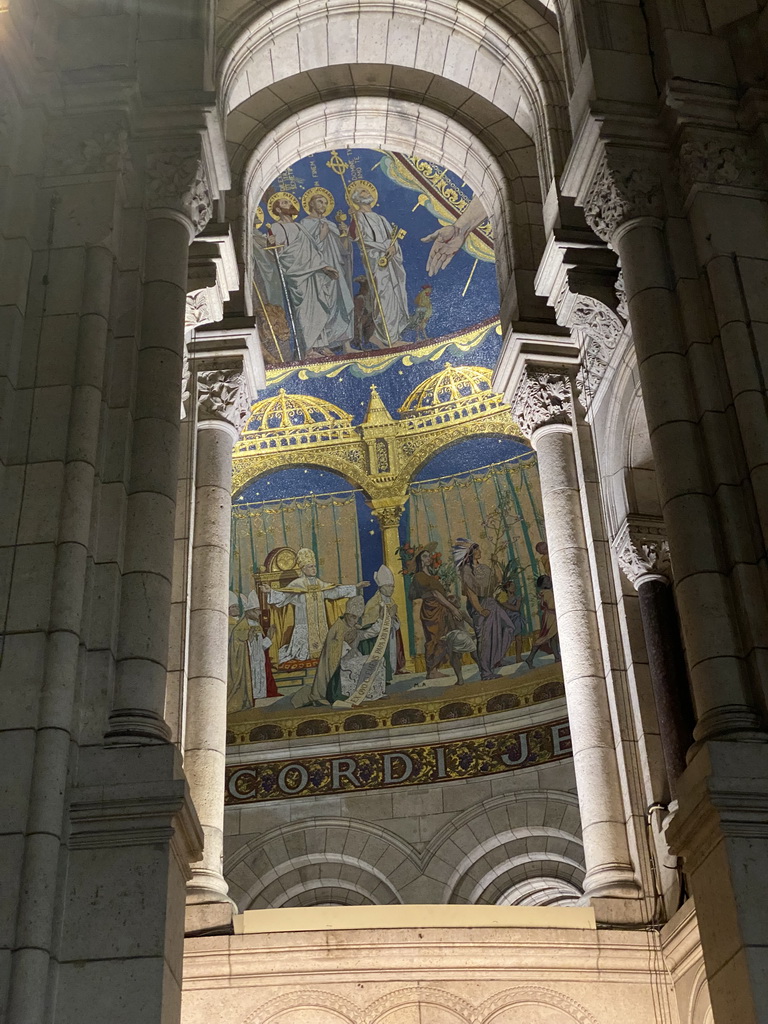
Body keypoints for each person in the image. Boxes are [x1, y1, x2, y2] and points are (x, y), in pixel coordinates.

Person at [266, 191, 345, 358]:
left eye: (289, 202)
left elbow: (312, 249)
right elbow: (282, 253)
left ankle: (321, 345)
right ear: (278, 210)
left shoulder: (299, 226)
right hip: (297, 273)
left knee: (319, 304)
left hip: (313, 270)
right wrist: (272, 244)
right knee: (304, 309)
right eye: (285, 203)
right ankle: (308, 349)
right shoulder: (276, 227)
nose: (290, 205)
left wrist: (323, 266)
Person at [266, 548, 367, 666]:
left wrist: (355, 587)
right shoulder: (297, 584)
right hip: (304, 624)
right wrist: (270, 591)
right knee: (301, 654)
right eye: (310, 566)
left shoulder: (319, 583)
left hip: (320, 624)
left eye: (314, 566)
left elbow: (334, 592)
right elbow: (283, 596)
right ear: (303, 568)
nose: (314, 569)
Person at [347, 180, 410, 346]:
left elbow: (392, 238)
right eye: (361, 191)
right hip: (375, 260)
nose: (366, 192)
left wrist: (393, 248)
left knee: (395, 294)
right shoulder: (358, 217)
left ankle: (391, 335)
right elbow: (356, 238)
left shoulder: (381, 218)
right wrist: (353, 220)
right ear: (356, 199)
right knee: (383, 296)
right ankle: (385, 336)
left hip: (390, 260)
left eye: (367, 190)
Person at [406, 543, 476, 684]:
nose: (429, 558)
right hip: (431, 610)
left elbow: (439, 593)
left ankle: (435, 668)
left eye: (429, 556)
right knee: (434, 638)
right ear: (420, 560)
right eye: (425, 556)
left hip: (439, 608)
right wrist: (452, 608)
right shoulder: (419, 576)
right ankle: (431, 671)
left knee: (443, 637)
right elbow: (433, 593)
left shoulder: (431, 575)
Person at [453, 539, 521, 680]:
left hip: (491, 602)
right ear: (470, 554)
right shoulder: (466, 570)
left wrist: (495, 563)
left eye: (478, 549)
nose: (479, 552)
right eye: (476, 550)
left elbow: (499, 580)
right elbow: (471, 592)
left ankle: (496, 659)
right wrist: (480, 610)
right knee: (485, 639)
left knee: (508, 627)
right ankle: (485, 672)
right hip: (480, 605)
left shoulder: (484, 567)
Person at [300, 186, 356, 353]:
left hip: (336, 270)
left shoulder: (330, 224)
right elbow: (305, 251)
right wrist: (321, 236)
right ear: (311, 203)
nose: (323, 204)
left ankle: (345, 343)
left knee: (341, 303)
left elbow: (343, 252)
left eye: (325, 202)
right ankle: (322, 345)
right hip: (319, 271)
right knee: (323, 304)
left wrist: (344, 235)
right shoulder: (305, 224)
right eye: (319, 201)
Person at [307, 596, 379, 706]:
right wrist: (346, 645)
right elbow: (332, 649)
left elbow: (365, 634)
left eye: (357, 618)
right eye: (353, 617)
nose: (355, 621)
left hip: (352, 658)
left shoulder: (354, 627)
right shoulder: (337, 628)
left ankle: (369, 694)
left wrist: (381, 624)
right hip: (338, 663)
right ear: (346, 615)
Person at [359, 563, 406, 685]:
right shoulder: (373, 603)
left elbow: (395, 622)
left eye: (393, 587)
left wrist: (394, 618)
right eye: (389, 586)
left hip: (390, 635)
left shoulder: (391, 600)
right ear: (381, 587)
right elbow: (369, 626)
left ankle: (393, 671)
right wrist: (387, 616)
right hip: (377, 639)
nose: (392, 589)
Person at [525, 574, 560, 668]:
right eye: (548, 580)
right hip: (551, 617)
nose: (550, 581)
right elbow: (552, 606)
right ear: (544, 584)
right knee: (545, 637)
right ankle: (530, 658)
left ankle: (557, 657)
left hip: (550, 616)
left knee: (553, 637)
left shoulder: (544, 592)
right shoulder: (548, 593)